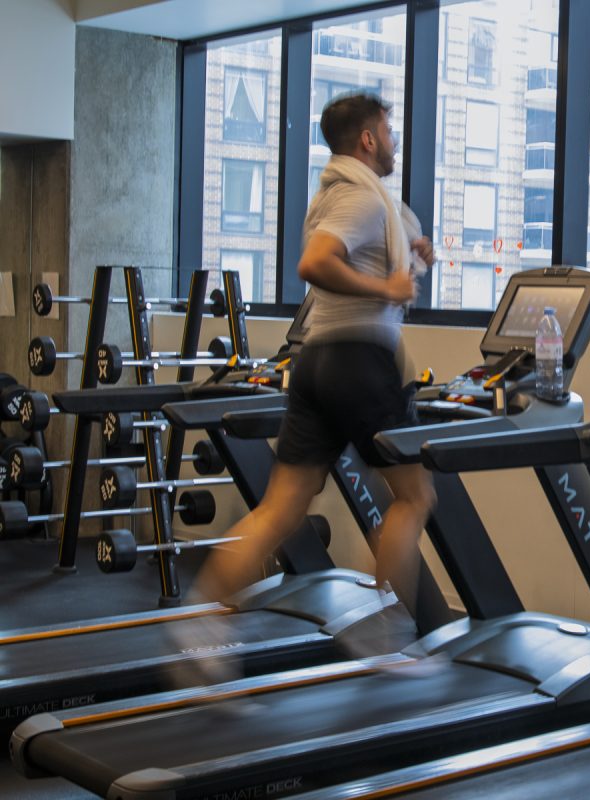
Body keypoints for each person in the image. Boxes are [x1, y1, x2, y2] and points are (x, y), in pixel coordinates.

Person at [185, 92, 436, 679]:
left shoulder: (342, 193)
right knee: (415, 496)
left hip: (318, 361)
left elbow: (373, 258)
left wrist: (414, 259)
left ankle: (200, 617)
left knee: (281, 508)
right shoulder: (358, 198)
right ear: (368, 139)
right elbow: (316, 263)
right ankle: (388, 634)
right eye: (389, 133)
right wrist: (387, 291)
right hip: (358, 360)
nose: (395, 143)